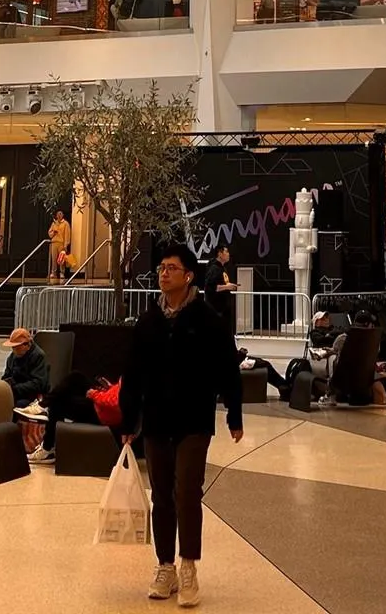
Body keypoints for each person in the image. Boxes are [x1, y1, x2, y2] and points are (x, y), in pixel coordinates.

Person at [122, 245, 242, 607]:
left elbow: (227, 369)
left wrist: (234, 414)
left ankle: (189, 566)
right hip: (157, 420)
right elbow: (133, 374)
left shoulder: (207, 320)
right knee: (161, 494)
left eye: (171, 268)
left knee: (187, 491)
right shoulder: (148, 321)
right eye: (160, 268)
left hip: (193, 420)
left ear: (188, 275)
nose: (163, 274)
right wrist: (129, 420)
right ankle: (165, 566)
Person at [0, 326, 51, 406]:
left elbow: (38, 384)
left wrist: (15, 389)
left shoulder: (38, 356)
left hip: (32, 395)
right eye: (13, 348)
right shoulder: (12, 357)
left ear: (27, 345)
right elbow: (6, 375)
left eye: (18, 348)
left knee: (17, 404)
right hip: (15, 392)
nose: (15, 351)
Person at [204, 245, 240, 331]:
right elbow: (211, 287)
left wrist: (229, 285)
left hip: (223, 308)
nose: (228, 254)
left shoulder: (222, 268)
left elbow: (222, 283)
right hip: (216, 309)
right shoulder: (214, 269)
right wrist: (227, 287)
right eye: (226, 252)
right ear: (220, 254)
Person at [48, 209, 73, 281]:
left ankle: (62, 272)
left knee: (61, 259)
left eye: (60, 214)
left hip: (61, 243)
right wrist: (53, 233)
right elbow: (50, 234)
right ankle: (53, 272)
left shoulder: (65, 224)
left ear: (63, 215)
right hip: (54, 243)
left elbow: (67, 235)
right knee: (54, 259)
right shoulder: (54, 223)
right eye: (58, 214)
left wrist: (65, 245)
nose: (59, 215)